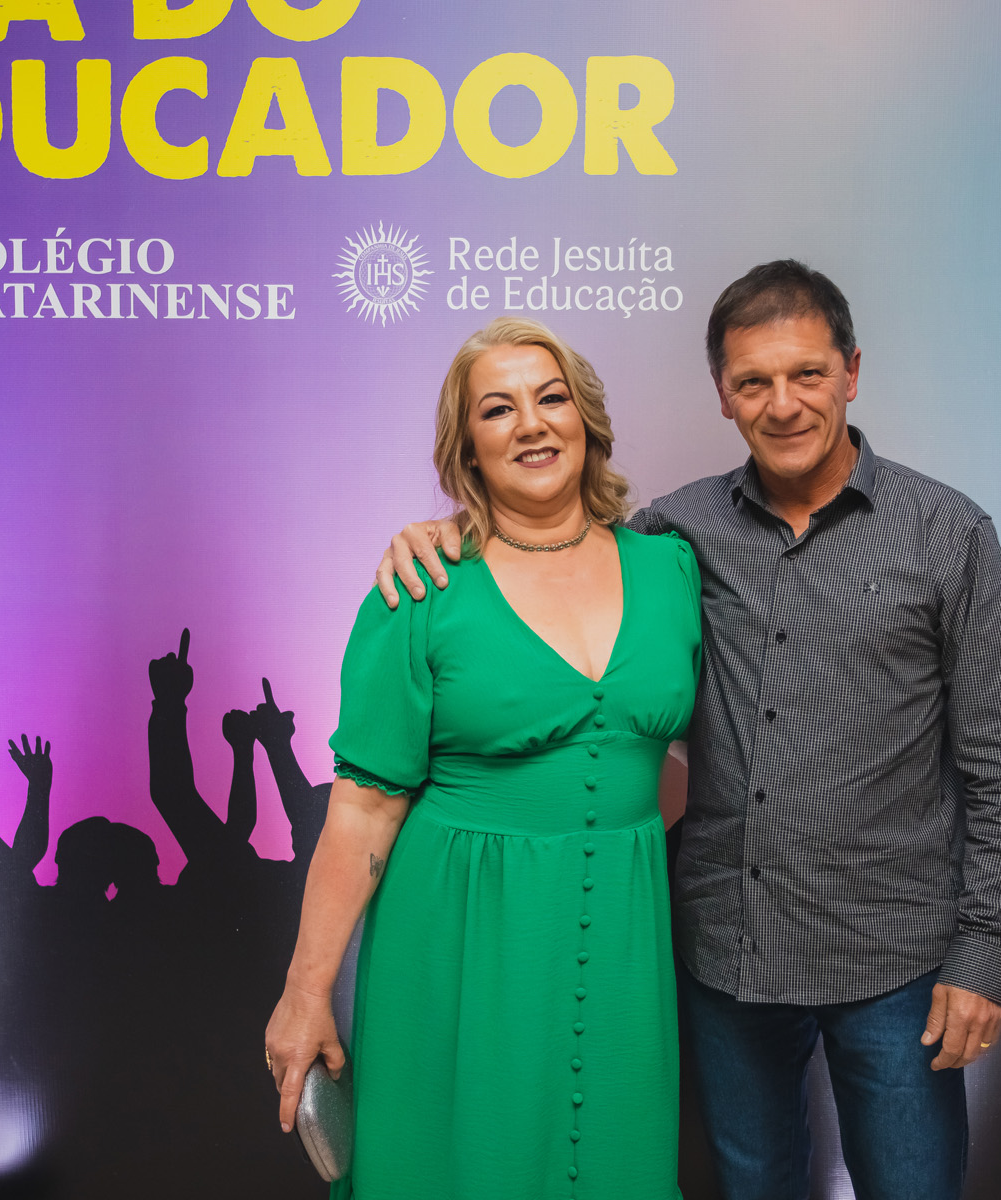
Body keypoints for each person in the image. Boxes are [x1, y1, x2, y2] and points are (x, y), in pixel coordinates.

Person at [378, 261, 1001, 1199]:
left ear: (852, 372)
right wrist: (444, 534)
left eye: (807, 374)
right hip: (727, 958)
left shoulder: (947, 532)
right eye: (753, 381)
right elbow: (551, 546)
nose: (783, 404)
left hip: (896, 961)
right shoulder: (674, 539)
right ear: (723, 395)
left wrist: (983, 957)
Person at [264, 316, 703, 1199]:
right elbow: (362, 809)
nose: (531, 424)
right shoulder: (419, 589)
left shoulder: (672, 569)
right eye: (498, 409)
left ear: (586, 419)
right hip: (457, 934)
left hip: (622, 933)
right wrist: (305, 992)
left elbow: (683, 755)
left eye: (551, 398)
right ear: (467, 446)